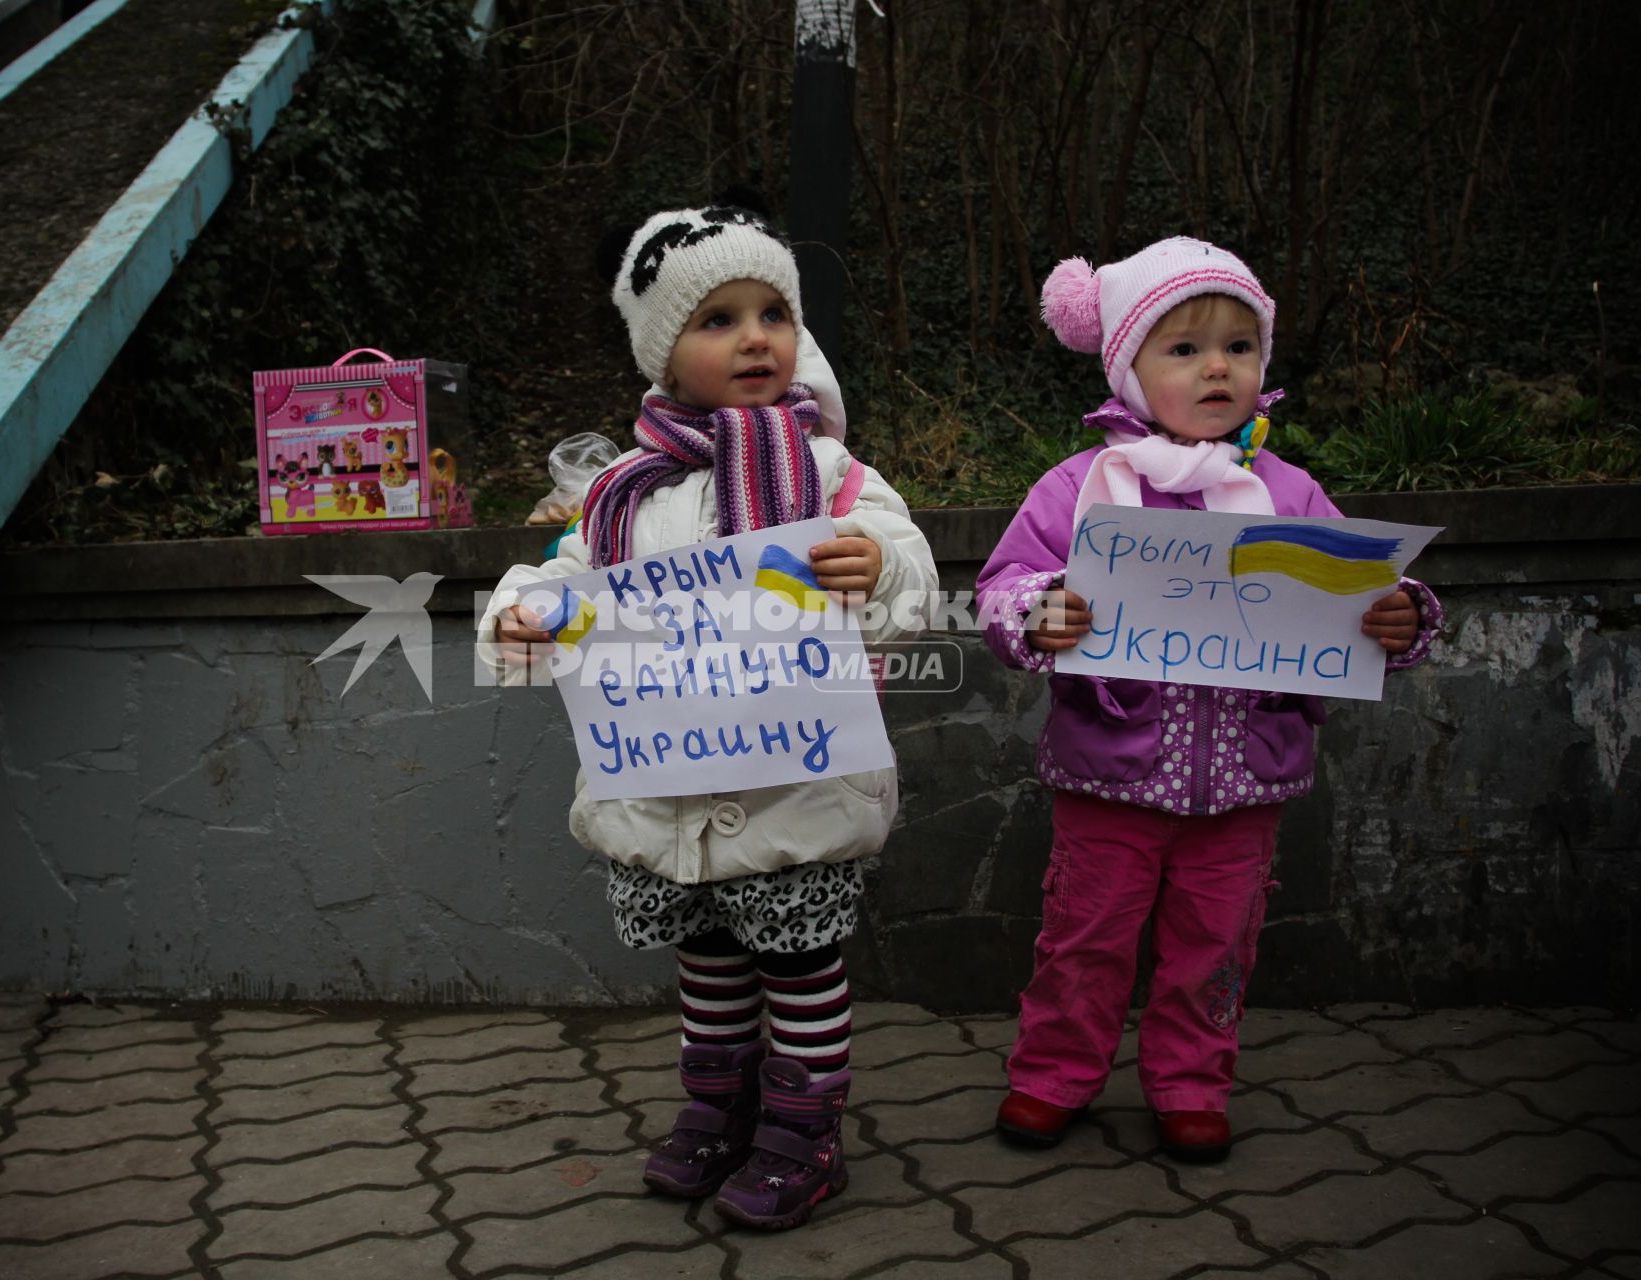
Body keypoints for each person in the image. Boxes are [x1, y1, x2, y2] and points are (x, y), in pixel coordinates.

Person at [476, 200, 937, 1229]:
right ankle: (716, 1107)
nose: (756, 336)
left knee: (801, 964)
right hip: (672, 789)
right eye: (718, 318)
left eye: (773, 310)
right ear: (662, 354)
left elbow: (905, 559)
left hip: (794, 786)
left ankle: (804, 1131)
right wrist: (525, 615)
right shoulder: (621, 494)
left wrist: (880, 567)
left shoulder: (825, 471)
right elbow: (567, 579)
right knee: (712, 967)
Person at [975, 237, 1441, 1162]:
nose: (1217, 365)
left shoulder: (1290, 492)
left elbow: (1360, 597)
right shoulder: (1080, 488)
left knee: (1214, 949)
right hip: (1108, 777)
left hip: (1245, 785)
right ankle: (1052, 1075)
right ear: (1130, 368)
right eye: (1184, 348)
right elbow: (999, 589)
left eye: (1239, 344)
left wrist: (1400, 616)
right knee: (1084, 942)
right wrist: (1038, 612)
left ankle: (1191, 1082)